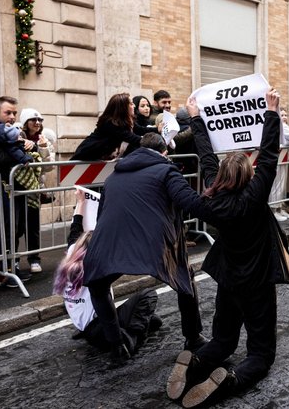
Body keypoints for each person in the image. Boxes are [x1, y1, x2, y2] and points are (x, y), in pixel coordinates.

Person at [167, 89, 284, 408]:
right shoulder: (253, 199)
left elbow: (206, 157)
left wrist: (196, 118)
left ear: (219, 177)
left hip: (228, 278)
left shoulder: (212, 199)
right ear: (249, 176)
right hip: (256, 282)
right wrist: (271, 113)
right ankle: (230, 380)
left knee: (222, 340)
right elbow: (270, 156)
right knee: (261, 353)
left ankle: (195, 362)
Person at [82, 132, 207, 365]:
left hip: (109, 241)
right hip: (152, 241)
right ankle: (193, 338)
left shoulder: (113, 176)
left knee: (98, 286)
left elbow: (102, 215)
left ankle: (117, 345)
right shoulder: (167, 171)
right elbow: (191, 203)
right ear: (164, 153)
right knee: (184, 278)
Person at [53, 189, 162, 355]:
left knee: (153, 320)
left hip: (86, 329)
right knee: (148, 295)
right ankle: (131, 338)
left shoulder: (72, 253)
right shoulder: (97, 265)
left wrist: (81, 203)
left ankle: (136, 326)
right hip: (103, 329)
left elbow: (76, 227)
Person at [0, 96, 34, 286]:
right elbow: (2, 158)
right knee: (7, 229)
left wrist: (26, 144)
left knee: (15, 229)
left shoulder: (10, 132)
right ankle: (5, 272)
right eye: (7, 113)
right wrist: (21, 148)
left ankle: (11, 268)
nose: (12, 117)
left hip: (13, 185)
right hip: (0, 186)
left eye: (14, 113)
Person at [19, 108, 55, 274]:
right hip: (18, 188)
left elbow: (49, 167)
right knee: (16, 227)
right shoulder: (17, 136)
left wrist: (42, 149)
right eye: (34, 120)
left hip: (34, 189)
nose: (38, 123)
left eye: (40, 120)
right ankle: (14, 260)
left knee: (32, 226)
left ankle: (34, 259)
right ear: (26, 122)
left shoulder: (44, 139)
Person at [71, 93, 142, 161]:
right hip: (85, 158)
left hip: (97, 160)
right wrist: (151, 141)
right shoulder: (110, 124)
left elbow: (142, 130)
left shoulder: (122, 123)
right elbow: (133, 138)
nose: (134, 106)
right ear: (123, 108)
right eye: (131, 103)